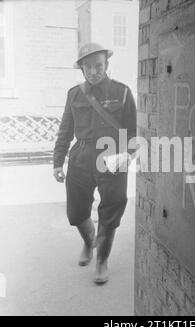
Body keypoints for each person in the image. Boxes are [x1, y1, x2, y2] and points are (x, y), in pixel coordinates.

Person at [53, 42, 136, 284]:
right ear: (82, 69)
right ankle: (89, 241)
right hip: (81, 156)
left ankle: (101, 260)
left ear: (107, 64)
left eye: (98, 66)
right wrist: (58, 162)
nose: (93, 72)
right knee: (77, 210)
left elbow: (135, 132)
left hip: (112, 157)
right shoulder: (74, 94)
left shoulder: (122, 92)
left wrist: (127, 155)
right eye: (87, 67)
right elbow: (65, 130)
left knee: (111, 209)